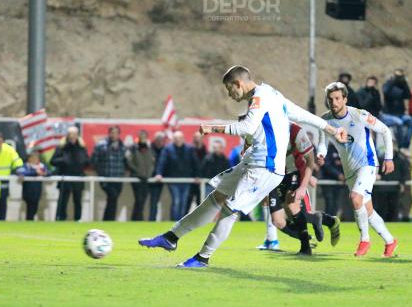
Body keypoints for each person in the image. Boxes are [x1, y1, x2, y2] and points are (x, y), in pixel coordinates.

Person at [139, 65, 346, 267]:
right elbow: (301, 115)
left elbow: (248, 126)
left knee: (230, 209)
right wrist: (331, 129)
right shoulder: (272, 94)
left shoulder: (259, 97)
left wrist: (213, 127)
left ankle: (202, 258)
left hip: (265, 167)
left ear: (238, 83)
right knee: (216, 197)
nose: (230, 95)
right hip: (252, 162)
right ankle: (171, 237)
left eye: (230, 89)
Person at [317, 81, 398, 258]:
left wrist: (389, 158)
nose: (334, 102)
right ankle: (390, 241)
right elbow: (322, 144)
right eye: (331, 99)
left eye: (338, 98)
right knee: (367, 210)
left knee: (355, 198)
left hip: (367, 164)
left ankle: (365, 239)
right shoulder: (325, 120)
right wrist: (321, 154)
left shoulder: (358, 115)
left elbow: (385, 130)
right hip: (350, 170)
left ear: (345, 99)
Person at [256, 122, 340, 254]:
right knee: (278, 221)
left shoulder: (295, 131)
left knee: (292, 207)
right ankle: (321, 223)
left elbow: (310, 160)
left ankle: (305, 246)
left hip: (293, 172)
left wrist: (304, 183)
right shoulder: (264, 129)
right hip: (273, 175)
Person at [155, 130, 199, 221]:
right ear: (173, 139)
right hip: (173, 180)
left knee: (183, 202)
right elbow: (162, 162)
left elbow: (195, 163)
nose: (178, 140)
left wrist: (197, 175)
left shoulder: (189, 149)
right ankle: (174, 221)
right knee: (177, 201)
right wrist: (159, 173)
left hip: (186, 180)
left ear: (183, 139)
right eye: (176, 138)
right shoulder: (168, 149)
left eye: (180, 138)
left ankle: (180, 223)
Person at [51, 126, 90, 221]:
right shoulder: (62, 147)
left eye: (74, 134)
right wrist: (64, 160)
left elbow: (87, 161)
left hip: (78, 177)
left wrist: (82, 161)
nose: (72, 136)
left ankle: (78, 218)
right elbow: (53, 161)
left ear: (77, 135)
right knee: (63, 200)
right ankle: (60, 218)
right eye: (70, 134)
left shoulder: (81, 147)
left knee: (77, 200)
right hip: (65, 177)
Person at [93, 126, 127, 221]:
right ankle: (109, 219)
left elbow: (126, 161)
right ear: (109, 133)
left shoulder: (122, 146)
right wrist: (101, 172)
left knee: (113, 198)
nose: (114, 135)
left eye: (116, 133)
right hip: (106, 178)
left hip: (118, 178)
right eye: (112, 132)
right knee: (112, 196)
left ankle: (108, 219)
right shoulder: (101, 145)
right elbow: (94, 161)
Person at [373, 139, 411, 222]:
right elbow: (375, 172)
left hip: (394, 189)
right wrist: (376, 175)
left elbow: (405, 173)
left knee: (394, 210)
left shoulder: (401, 160)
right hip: (382, 190)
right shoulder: (380, 159)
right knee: (382, 210)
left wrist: (402, 183)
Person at [381, 69, 412, 150]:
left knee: (411, 122)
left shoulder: (402, 86)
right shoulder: (388, 84)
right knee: (399, 123)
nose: (398, 78)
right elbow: (385, 92)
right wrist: (392, 81)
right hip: (388, 114)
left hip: (401, 114)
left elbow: (409, 96)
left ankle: (405, 145)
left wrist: (405, 83)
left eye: (400, 76)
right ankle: (400, 145)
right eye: (397, 76)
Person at [127, 130, 154, 221]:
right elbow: (128, 161)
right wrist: (138, 171)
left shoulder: (149, 148)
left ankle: (136, 219)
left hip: (146, 178)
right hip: (136, 178)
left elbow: (152, 162)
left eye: (144, 136)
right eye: (141, 136)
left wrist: (149, 173)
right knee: (139, 199)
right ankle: (138, 218)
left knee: (143, 200)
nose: (143, 137)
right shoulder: (133, 148)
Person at [319, 143, 345, 217]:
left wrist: (345, 175)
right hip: (327, 182)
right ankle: (328, 220)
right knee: (329, 202)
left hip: (340, 183)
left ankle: (334, 220)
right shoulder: (327, 149)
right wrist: (338, 175)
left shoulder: (343, 150)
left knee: (336, 203)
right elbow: (326, 165)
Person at [21, 149, 48, 220]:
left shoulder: (41, 166)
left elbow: (47, 172)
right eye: (33, 157)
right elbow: (22, 172)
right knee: (28, 208)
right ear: (29, 158)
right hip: (27, 191)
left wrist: (44, 173)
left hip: (37, 191)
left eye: (36, 157)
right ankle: (29, 220)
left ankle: (32, 220)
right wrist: (35, 173)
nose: (35, 159)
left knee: (35, 207)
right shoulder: (26, 166)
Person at [186, 132, 207, 209]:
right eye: (196, 137)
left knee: (200, 202)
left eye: (200, 137)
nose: (198, 139)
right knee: (187, 203)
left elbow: (204, 166)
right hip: (190, 180)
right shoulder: (189, 149)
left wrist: (200, 176)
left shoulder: (205, 150)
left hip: (200, 181)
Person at [148, 131, 166, 221]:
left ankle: (152, 220)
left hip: (158, 180)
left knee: (154, 201)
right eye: (158, 140)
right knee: (141, 202)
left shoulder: (165, 150)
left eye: (161, 140)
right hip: (146, 178)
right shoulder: (148, 148)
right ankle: (139, 220)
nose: (159, 142)